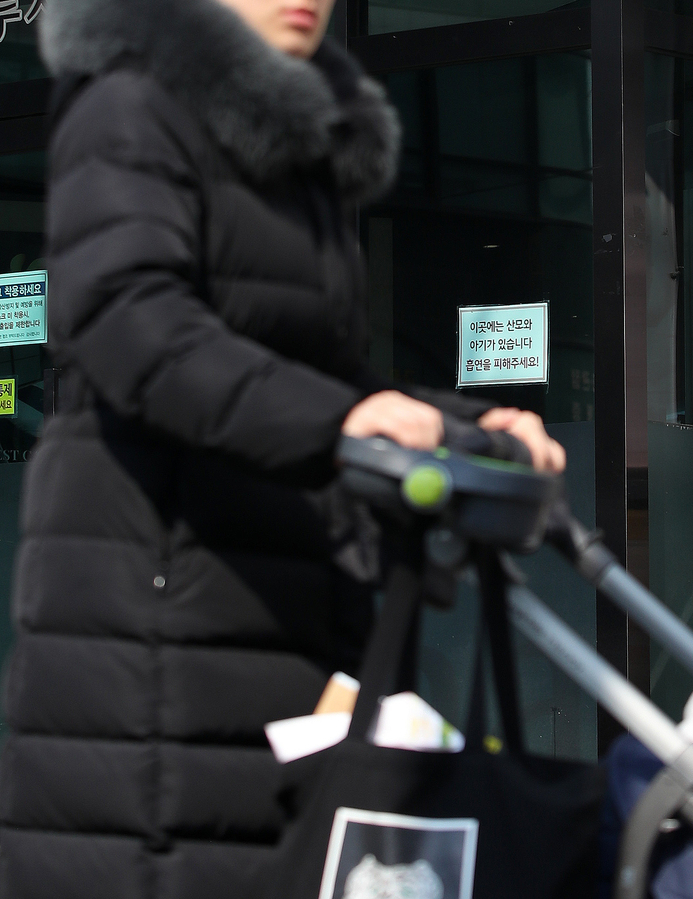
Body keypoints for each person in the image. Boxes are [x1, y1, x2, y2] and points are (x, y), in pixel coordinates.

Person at [0, 0, 563, 896]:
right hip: (157, 633)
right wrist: (338, 424)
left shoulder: (295, 150)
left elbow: (316, 378)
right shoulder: (132, 105)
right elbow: (126, 319)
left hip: (275, 618)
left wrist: (465, 426)